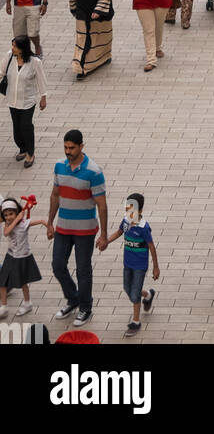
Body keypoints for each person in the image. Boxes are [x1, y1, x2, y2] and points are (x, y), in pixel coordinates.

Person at [47, 129, 108, 327]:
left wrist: (104, 235)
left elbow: (102, 205)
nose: (68, 151)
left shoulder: (94, 171)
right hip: (63, 227)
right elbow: (55, 195)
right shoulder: (59, 166)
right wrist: (50, 222)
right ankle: (73, 299)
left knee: (83, 270)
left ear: (82, 146)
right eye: (65, 147)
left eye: (72, 147)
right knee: (57, 265)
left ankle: (85, 307)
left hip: (85, 230)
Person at [104, 193, 160, 337]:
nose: (129, 213)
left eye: (132, 210)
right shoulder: (126, 221)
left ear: (140, 211)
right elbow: (118, 232)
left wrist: (155, 267)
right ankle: (147, 295)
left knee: (134, 294)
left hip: (140, 266)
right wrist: (106, 241)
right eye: (127, 209)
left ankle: (136, 322)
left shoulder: (143, 227)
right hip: (127, 263)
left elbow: (152, 246)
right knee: (127, 288)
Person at [0, 194, 47, 319]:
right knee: (2, 281)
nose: (8, 217)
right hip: (10, 256)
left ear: (17, 213)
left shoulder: (24, 223)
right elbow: (6, 233)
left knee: (22, 283)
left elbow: (41, 221)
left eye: (11, 214)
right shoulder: (8, 224)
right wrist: (16, 219)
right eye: (6, 215)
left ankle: (27, 303)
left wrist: (49, 226)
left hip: (22, 257)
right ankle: (3, 307)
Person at [3, 33, 46, 169]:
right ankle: (22, 148)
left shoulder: (35, 62)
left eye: (15, 46)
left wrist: (43, 97)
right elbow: (1, 71)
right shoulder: (10, 56)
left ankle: (30, 153)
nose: (12, 48)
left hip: (28, 101)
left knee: (26, 126)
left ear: (22, 48)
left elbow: (41, 80)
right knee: (16, 127)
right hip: (12, 99)